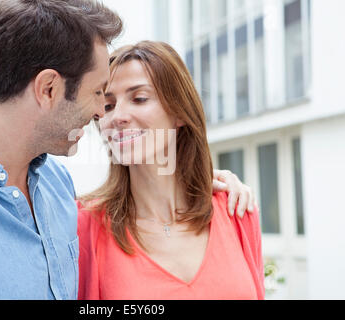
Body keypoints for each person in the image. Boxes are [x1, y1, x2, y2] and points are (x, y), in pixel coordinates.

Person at [0, 0, 253, 299]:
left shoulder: (55, 187)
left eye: (139, 98)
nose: (102, 114)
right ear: (49, 89)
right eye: (100, 95)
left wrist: (207, 183)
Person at [78, 41, 265, 300]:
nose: (117, 116)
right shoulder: (85, 226)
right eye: (108, 106)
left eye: (139, 98)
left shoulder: (236, 209)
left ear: (179, 113)